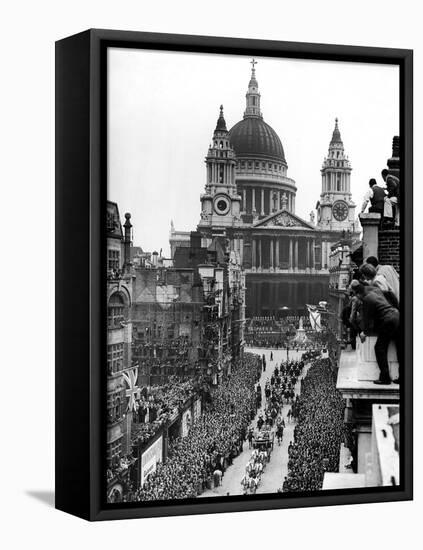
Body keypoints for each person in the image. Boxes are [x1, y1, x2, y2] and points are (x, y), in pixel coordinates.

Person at [353, 283, 400, 385]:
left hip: (388, 320)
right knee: (400, 347)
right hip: (397, 315)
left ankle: (385, 377)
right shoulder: (376, 291)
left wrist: (364, 332)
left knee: (380, 348)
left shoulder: (367, 300)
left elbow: (367, 321)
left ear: (358, 294)